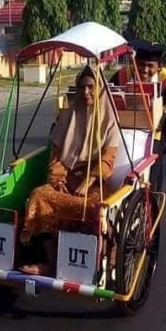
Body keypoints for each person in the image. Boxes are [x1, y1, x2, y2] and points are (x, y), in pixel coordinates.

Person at [19, 65, 122, 276]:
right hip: (67, 178)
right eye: (82, 88)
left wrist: (88, 181)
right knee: (39, 196)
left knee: (93, 207)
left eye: (91, 87)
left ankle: (100, 258)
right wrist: (58, 180)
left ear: (100, 88)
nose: (86, 93)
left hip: (95, 183)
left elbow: (108, 159)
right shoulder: (68, 115)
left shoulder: (109, 119)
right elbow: (56, 155)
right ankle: (50, 263)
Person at [109, 39, 166, 194]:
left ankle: (152, 195)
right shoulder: (122, 74)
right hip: (124, 126)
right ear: (134, 62)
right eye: (141, 64)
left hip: (158, 130)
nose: (144, 70)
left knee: (153, 155)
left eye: (150, 66)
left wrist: (164, 111)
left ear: (159, 66)